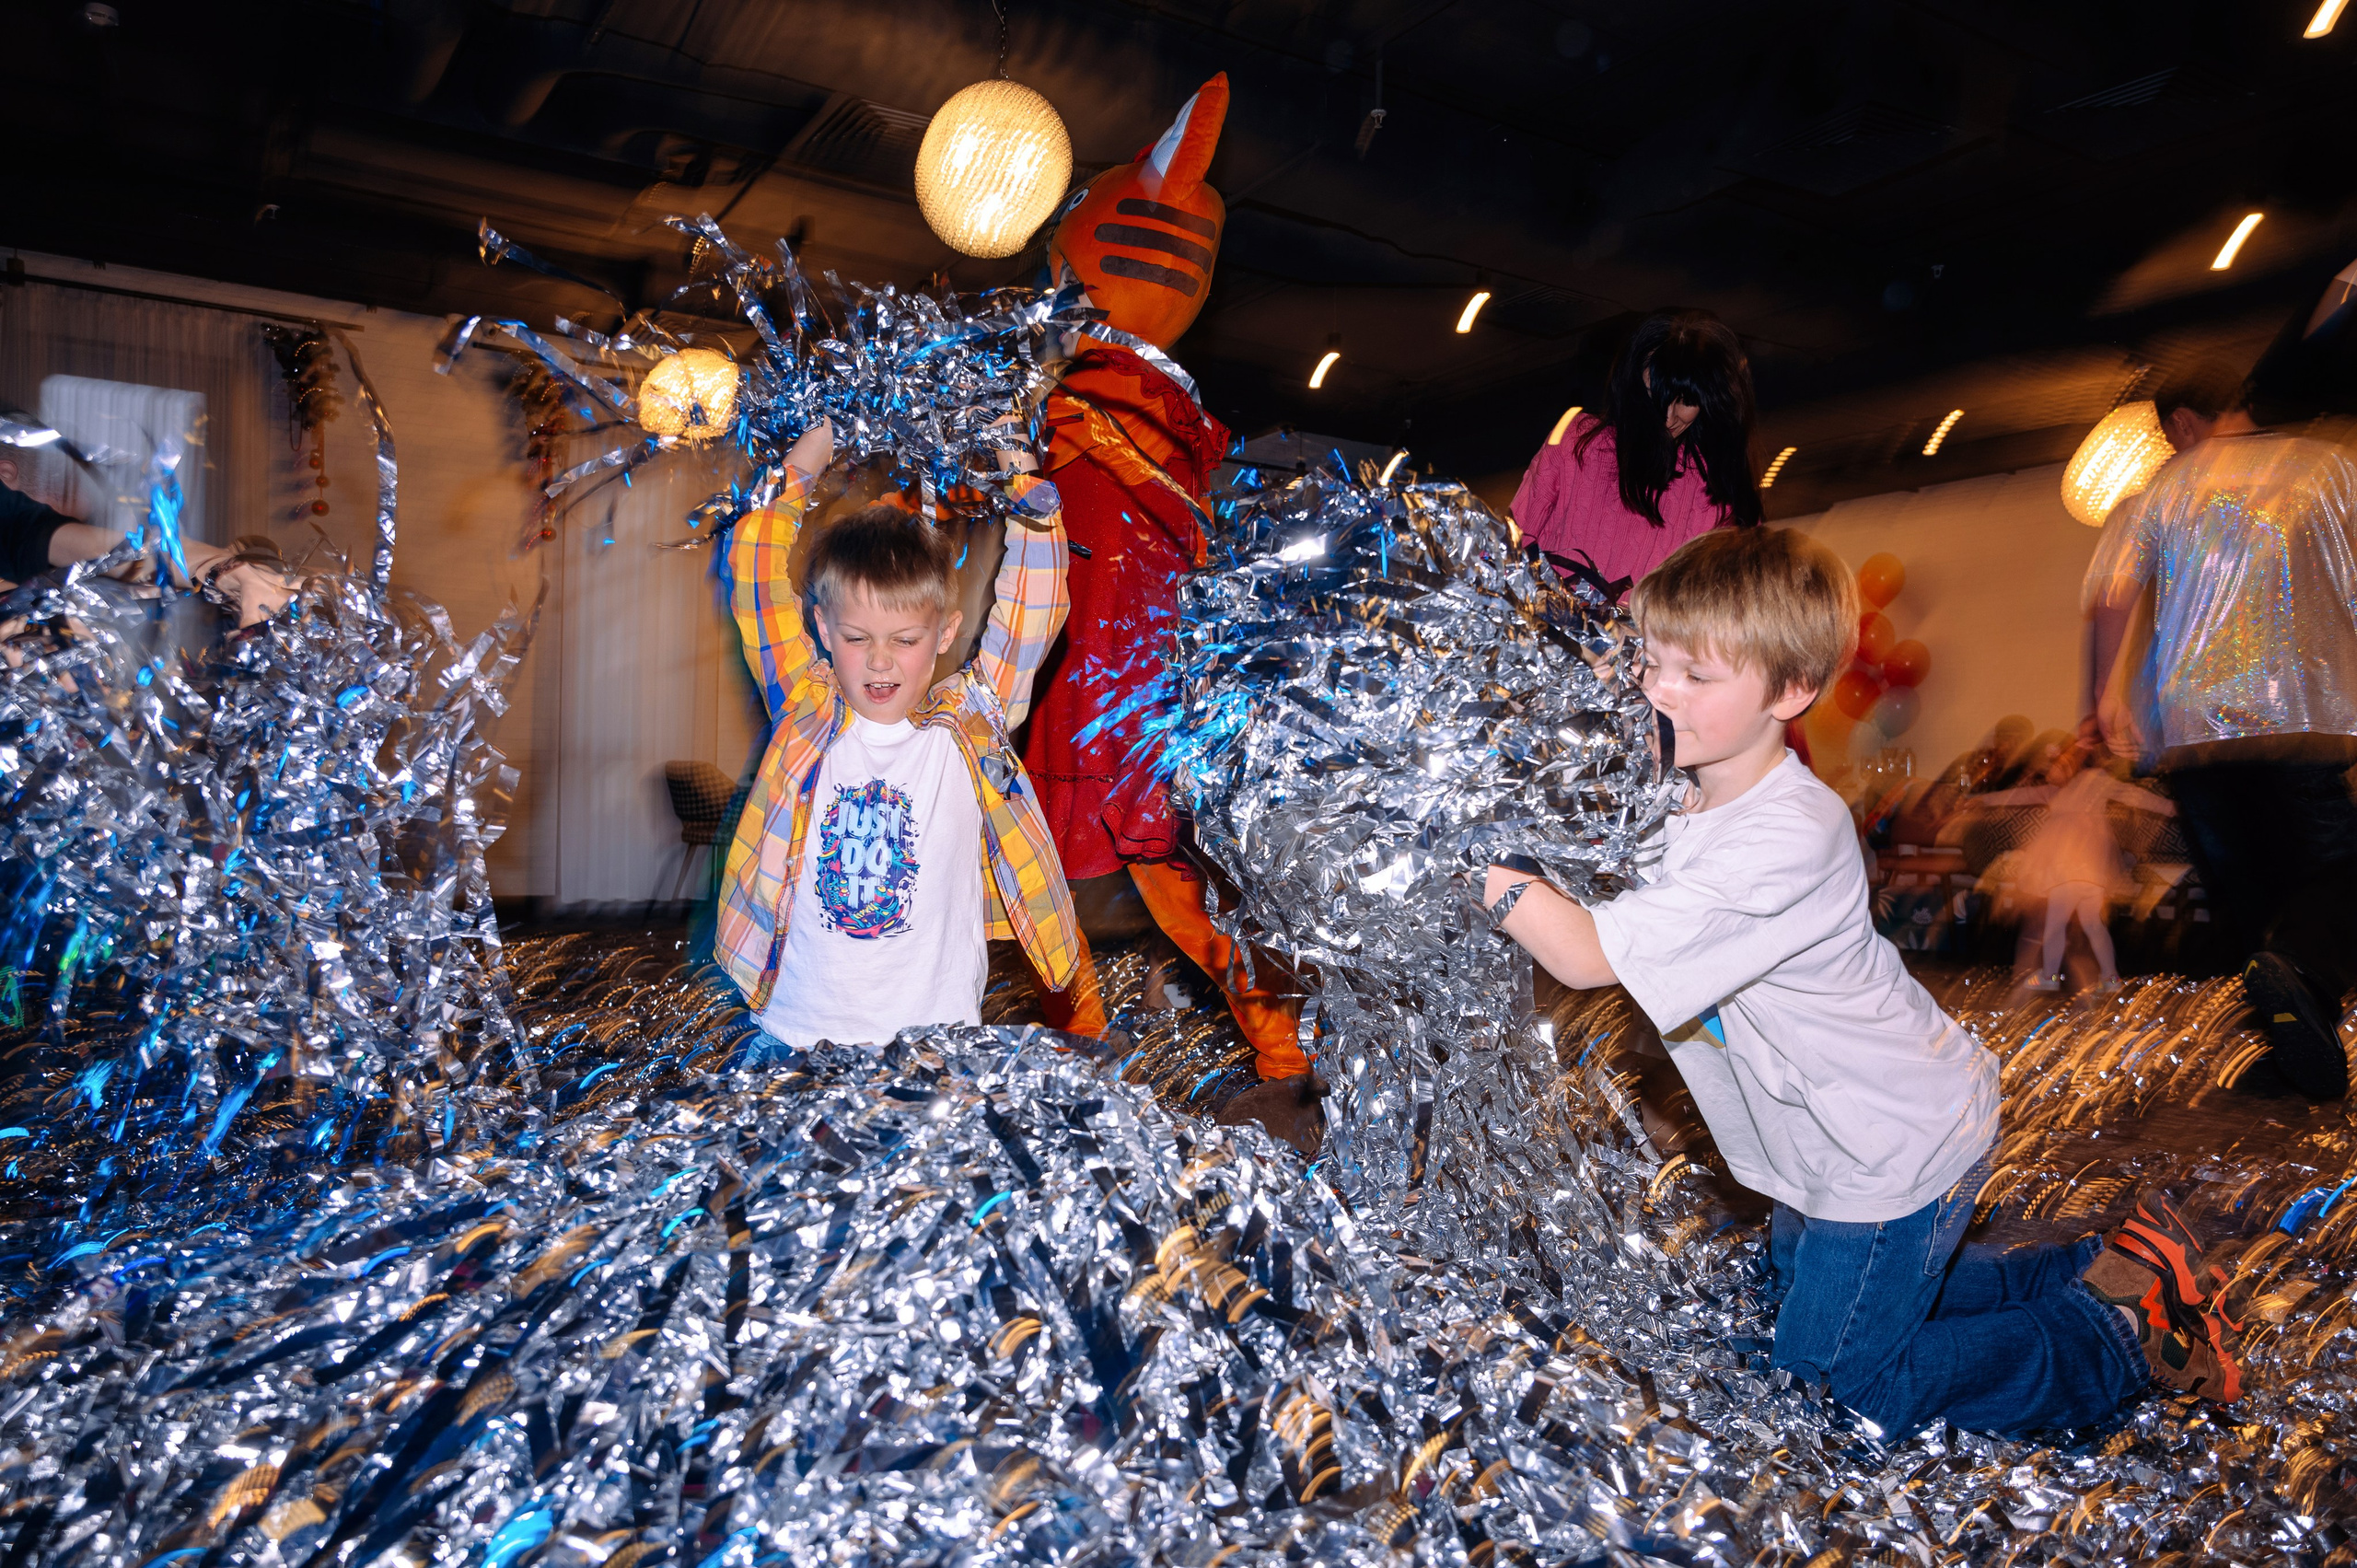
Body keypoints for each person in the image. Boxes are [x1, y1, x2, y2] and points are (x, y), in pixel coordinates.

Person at [1483, 526, 2243, 1435]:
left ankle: (2114, 1337)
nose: (1657, 691)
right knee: (1828, 1293)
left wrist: (1468, 851)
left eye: (1696, 674)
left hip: (1885, 1147)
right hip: (1819, 1142)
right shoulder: (1679, 797)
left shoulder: (1784, 834)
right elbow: (1596, 849)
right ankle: (2104, 1263)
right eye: (1649, 661)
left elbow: (1582, 953)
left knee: (1832, 1393)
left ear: (1791, 691)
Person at [713, 417, 1086, 1052]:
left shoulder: (972, 722)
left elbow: (1037, 600)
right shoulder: (805, 706)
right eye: (857, 638)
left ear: (943, 635)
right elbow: (750, 566)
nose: (880, 661)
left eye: (906, 640)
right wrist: (805, 465)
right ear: (824, 630)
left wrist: (1018, 475)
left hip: (932, 1048)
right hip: (792, 1037)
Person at [2086, 360, 2357, 1100]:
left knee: (2250, 901)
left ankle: (2296, 1053)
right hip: (2303, 718)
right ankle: (2302, 997)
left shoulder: (2165, 490)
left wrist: (2098, 697)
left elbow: (2110, 597)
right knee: (2332, 880)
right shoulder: (2328, 466)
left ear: (2179, 424)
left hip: (2195, 731)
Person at [1509, 308, 1762, 603]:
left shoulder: (1714, 490)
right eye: (1655, 394)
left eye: (1688, 401)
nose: (1669, 417)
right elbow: (1514, 541)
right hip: (1549, 641)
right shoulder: (1578, 443)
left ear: (1710, 400)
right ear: (1632, 386)